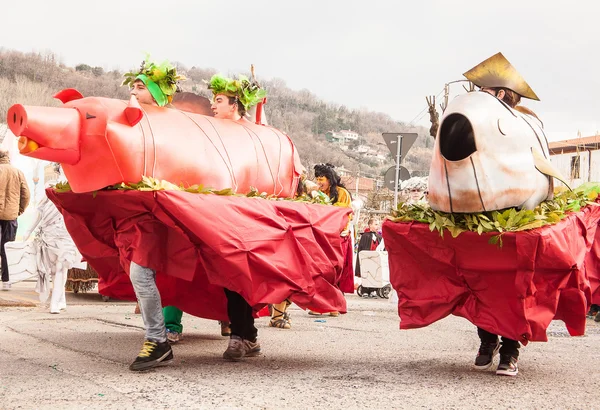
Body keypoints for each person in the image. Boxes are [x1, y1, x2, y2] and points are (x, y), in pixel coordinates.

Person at [463, 52, 542, 377]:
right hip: (477, 213)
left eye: (486, 90)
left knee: (513, 286)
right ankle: (487, 339)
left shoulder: (524, 124)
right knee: (478, 280)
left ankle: (510, 349)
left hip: (516, 214)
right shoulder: (475, 119)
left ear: (500, 94)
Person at [121, 57, 184, 370]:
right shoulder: (137, 120)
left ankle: (158, 339)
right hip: (144, 209)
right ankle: (158, 337)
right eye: (133, 84)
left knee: (141, 273)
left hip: (165, 208)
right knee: (142, 272)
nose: (134, 88)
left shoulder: (170, 123)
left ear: (159, 93)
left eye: (140, 85)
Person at [206, 72, 266, 360]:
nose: (213, 106)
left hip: (248, 213)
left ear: (235, 104)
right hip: (221, 213)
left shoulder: (252, 133)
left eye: (218, 100)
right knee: (230, 276)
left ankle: (242, 336)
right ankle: (245, 335)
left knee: (242, 276)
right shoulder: (213, 132)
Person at [0, 149, 30, 291]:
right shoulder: (17, 173)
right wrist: (19, 210)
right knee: (8, 248)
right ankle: (7, 280)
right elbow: (26, 195)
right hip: (11, 216)